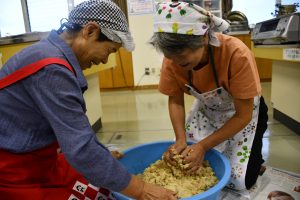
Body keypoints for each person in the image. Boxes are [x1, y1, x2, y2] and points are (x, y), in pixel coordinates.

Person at [0, 0, 177, 199]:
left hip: (43, 157)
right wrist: (142, 189)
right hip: (14, 169)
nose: (104, 60)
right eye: (110, 50)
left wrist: (100, 153)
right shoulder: (52, 70)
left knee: (101, 187)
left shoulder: (49, 52)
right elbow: (81, 149)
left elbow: (75, 129)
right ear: (90, 31)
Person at [150, 1, 268, 191]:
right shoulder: (172, 59)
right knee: (190, 162)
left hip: (243, 115)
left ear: (204, 38)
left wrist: (203, 147)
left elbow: (243, 115)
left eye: (184, 59)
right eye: (172, 59)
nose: (176, 64)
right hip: (208, 112)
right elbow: (175, 100)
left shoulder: (236, 54)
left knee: (241, 180)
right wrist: (180, 139)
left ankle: (255, 161)